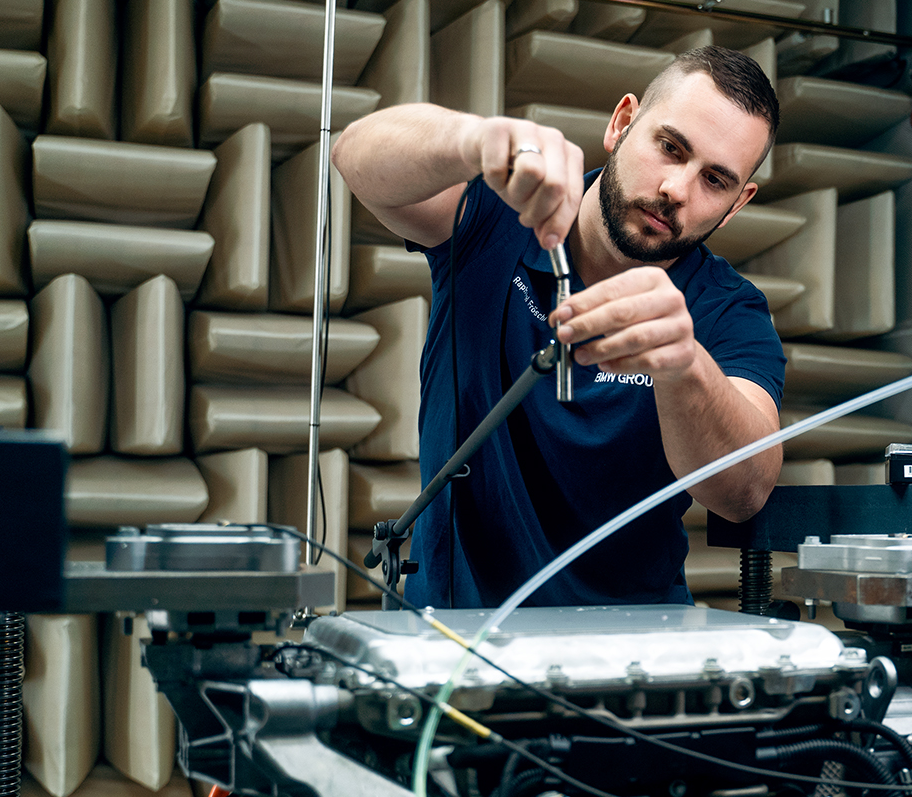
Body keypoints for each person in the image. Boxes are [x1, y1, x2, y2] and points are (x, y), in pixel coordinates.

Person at [333, 46, 786, 609]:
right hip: (455, 633)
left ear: (737, 204)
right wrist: (471, 141)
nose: (677, 190)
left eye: (714, 180)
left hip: (629, 657)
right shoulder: (498, 214)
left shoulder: (729, 311)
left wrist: (685, 363)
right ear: (622, 124)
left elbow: (744, 492)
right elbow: (353, 156)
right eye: (670, 148)